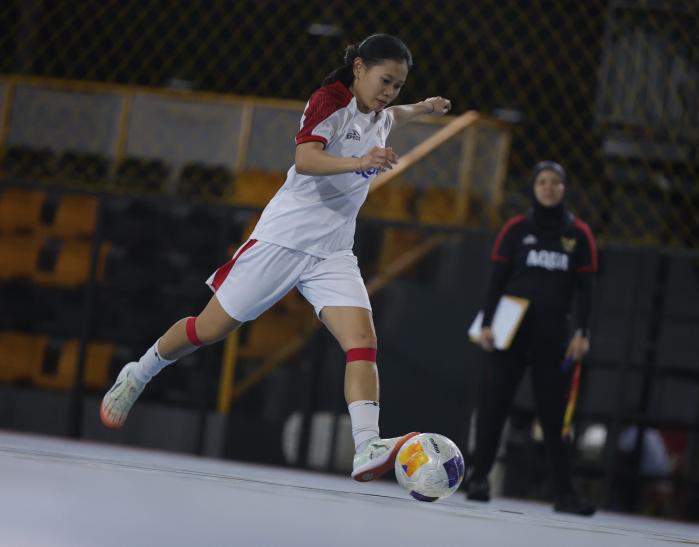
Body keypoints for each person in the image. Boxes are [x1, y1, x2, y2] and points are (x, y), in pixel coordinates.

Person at [99, 33, 452, 483]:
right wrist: (361, 161)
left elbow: (394, 116)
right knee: (208, 329)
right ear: (359, 67)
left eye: (398, 85)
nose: (390, 92)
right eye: (385, 80)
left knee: (362, 340)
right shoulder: (329, 101)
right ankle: (140, 372)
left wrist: (422, 107)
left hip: (333, 252)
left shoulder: (380, 113)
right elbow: (306, 159)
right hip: (283, 241)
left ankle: (367, 447)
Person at [465, 160, 597, 516]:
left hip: (552, 337)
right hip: (510, 334)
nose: (549, 187)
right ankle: (478, 479)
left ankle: (564, 494)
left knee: (554, 417)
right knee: (494, 407)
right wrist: (487, 325)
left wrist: (581, 334)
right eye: (542, 181)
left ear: (564, 188)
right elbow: (496, 281)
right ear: (534, 187)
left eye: (556, 181)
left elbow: (585, 291)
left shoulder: (578, 234)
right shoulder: (516, 229)